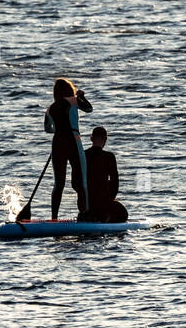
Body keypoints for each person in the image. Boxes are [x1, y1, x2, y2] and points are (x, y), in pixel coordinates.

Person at [44, 77, 93, 221]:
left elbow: (48, 129)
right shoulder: (74, 100)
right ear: (69, 90)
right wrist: (82, 96)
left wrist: (60, 130)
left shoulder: (49, 109)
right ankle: (85, 214)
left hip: (57, 143)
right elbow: (89, 109)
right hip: (73, 141)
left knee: (58, 183)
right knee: (81, 181)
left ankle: (54, 217)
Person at [83, 126, 129, 223]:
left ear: (91, 139)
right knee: (123, 214)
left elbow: (75, 181)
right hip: (103, 202)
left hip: (85, 202)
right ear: (105, 140)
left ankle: (91, 215)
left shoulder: (83, 155)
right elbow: (115, 184)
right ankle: (103, 217)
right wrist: (107, 202)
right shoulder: (109, 157)